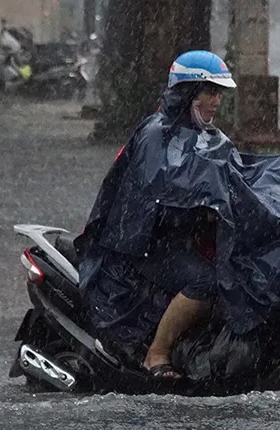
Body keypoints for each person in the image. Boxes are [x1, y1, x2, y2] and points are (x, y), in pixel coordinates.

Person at [75, 50, 236, 380]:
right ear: (188, 92)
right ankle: (157, 354)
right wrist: (203, 200)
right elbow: (161, 187)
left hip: (178, 241)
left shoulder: (211, 138)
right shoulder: (155, 134)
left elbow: (234, 176)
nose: (216, 101)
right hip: (142, 245)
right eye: (209, 92)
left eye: (219, 93)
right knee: (206, 280)